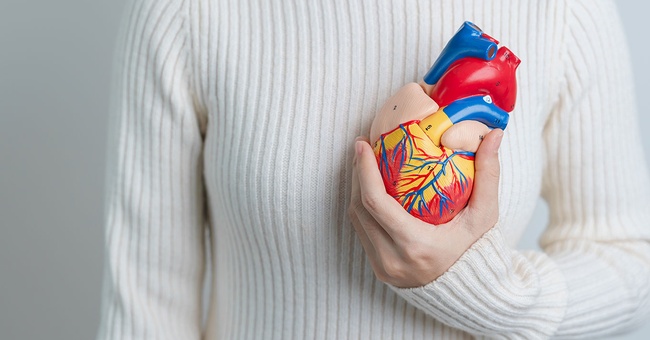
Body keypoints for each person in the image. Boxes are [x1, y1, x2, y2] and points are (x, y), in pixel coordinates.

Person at [96, 0, 650, 338]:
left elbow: (630, 258)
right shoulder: (187, 12)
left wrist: (491, 294)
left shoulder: (562, 10)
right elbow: (146, 307)